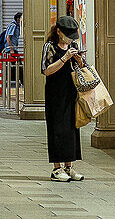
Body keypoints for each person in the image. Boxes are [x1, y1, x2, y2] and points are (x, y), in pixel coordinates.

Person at [42, 15, 85, 182]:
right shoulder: (50, 46)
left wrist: (79, 59)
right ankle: (56, 168)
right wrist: (64, 58)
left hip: (71, 91)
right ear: (58, 31)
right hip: (55, 93)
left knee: (72, 130)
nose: (70, 39)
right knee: (57, 129)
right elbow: (46, 70)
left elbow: (81, 67)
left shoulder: (73, 45)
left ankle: (70, 166)